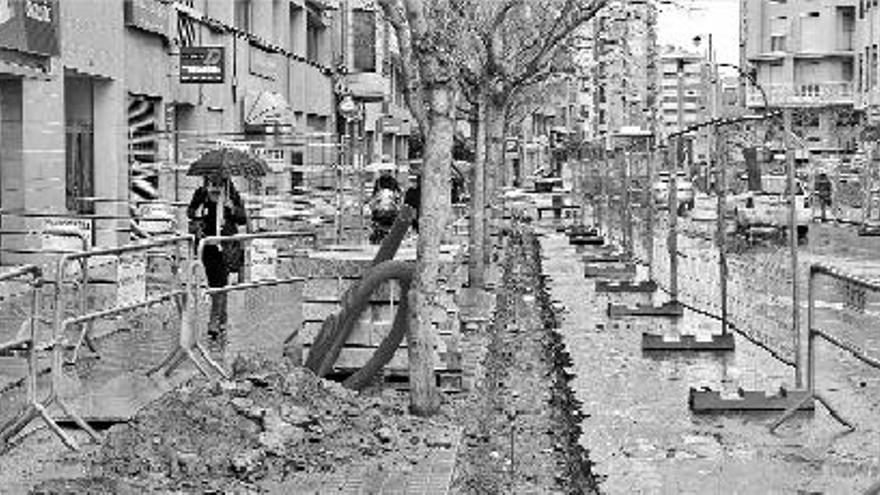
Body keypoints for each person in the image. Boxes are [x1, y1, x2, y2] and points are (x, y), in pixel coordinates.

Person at [187, 175, 247, 338]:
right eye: (212, 178)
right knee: (217, 283)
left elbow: (242, 219)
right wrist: (198, 209)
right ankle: (222, 320)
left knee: (219, 283)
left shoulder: (231, 194)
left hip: (226, 246)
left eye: (218, 178)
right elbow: (190, 212)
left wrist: (232, 208)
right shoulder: (201, 193)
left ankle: (214, 321)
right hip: (207, 245)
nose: (215, 182)